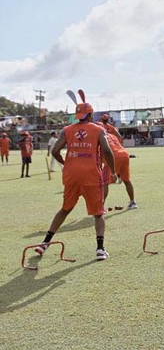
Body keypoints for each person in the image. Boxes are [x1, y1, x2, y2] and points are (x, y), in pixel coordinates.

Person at [33, 99, 115, 261]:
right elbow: (106, 149)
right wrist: (113, 171)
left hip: (71, 175)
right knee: (98, 213)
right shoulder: (98, 130)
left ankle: (44, 243)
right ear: (90, 115)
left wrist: (66, 163)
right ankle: (100, 249)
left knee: (65, 209)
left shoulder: (67, 130)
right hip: (91, 176)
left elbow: (55, 151)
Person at [99, 114, 137, 209]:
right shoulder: (112, 134)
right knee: (126, 180)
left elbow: (102, 153)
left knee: (104, 182)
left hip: (113, 156)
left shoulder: (99, 137)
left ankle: (100, 207)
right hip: (124, 154)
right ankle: (133, 202)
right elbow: (119, 138)